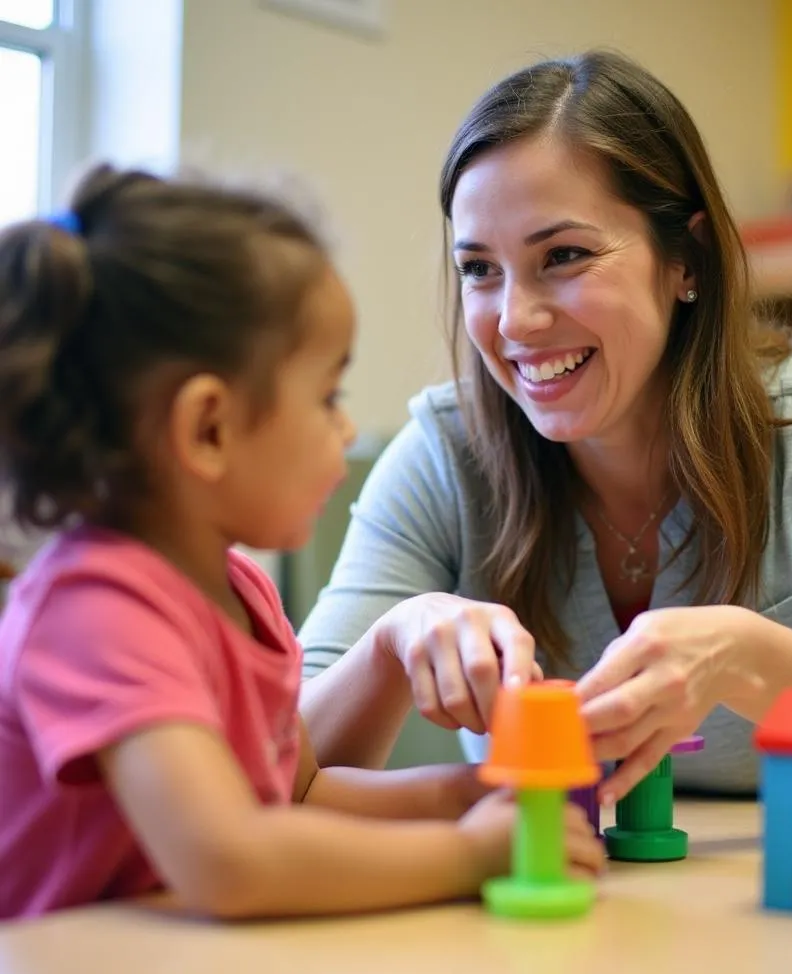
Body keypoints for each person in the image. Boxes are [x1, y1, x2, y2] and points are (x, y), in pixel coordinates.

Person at [297, 49, 792, 821]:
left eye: (564, 256)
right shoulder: (445, 453)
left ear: (687, 261)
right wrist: (387, 645)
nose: (514, 320)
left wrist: (748, 660)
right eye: (480, 269)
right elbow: (265, 770)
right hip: (552, 922)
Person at [0, 165, 604, 921]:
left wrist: (465, 796)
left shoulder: (239, 589)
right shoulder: (96, 610)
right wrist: (469, 854)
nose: (346, 430)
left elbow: (305, 792)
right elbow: (232, 862)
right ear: (208, 430)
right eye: (328, 398)